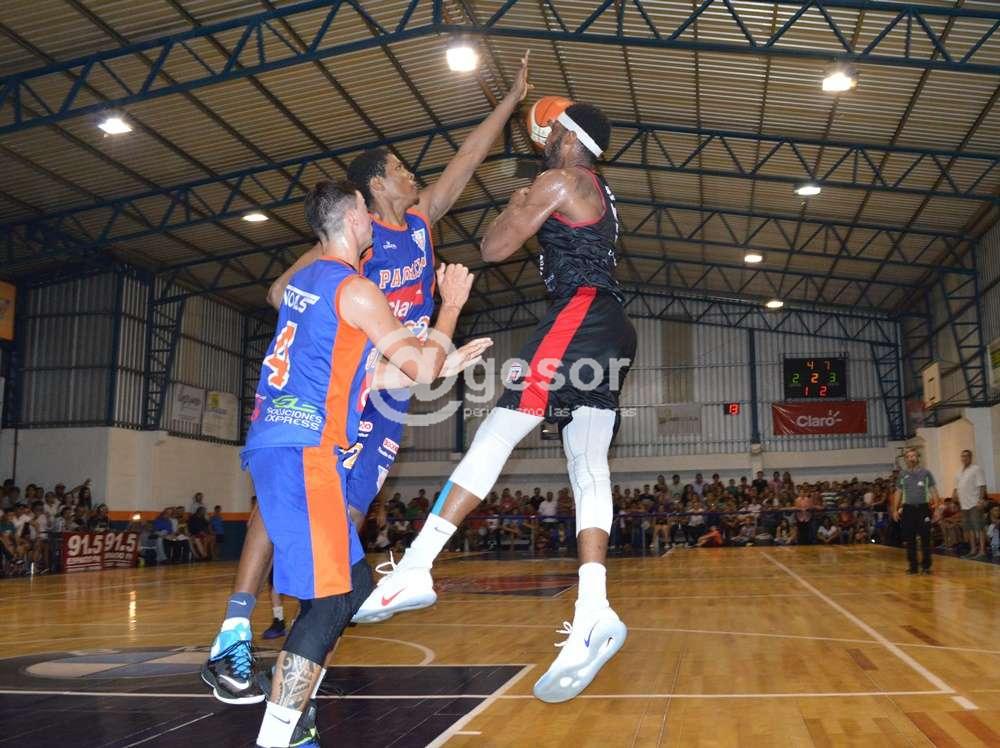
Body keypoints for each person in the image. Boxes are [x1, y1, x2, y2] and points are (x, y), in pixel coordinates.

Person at [200, 57, 530, 707]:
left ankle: (303, 655)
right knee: (287, 493)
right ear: (374, 189)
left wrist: (511, 101)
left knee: (346, 517)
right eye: (401, 168)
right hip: (350, 381)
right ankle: (238, 621)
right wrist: (350, 320)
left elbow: (468, 157)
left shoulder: (422, 220)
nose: (413, 175)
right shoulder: (353, 244)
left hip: (390, 390)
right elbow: (279, 291)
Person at [353, 102, 638, 705]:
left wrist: (517, 204)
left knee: (497, 432)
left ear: (568, 136)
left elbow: (493, 248)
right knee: (588, 465)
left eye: (550, 129)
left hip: (579, 313)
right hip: (610, 326)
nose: (542, 136)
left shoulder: (558, 180)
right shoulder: (596, 190)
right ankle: (594, 610)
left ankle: (416, 567)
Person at [200, 180, 477, 748]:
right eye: (365, 212)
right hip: (305, 451)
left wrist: (441, 364)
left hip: (280, 445)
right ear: (353, 218)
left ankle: (286, 711)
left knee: (350, 588)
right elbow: (421, 368)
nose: (374, 219)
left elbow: (367, 374)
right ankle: (279, 733)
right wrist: (450, 307)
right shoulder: (356, 289)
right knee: (332, 601)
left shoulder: (303, 285)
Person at [892, 447, 940, 575]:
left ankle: (926, 566)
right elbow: (898, 492)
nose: (911, 458)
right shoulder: (902, 475)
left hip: (923, 509)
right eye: (908, 457)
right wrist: (895, 510)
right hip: (908, 509)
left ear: (918, 457)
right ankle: (913, 566)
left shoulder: (926, 473)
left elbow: (933, 491)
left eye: (913, 456)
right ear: (905, 460)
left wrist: (937, 509)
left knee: (925, 537)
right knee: (910, 539)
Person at [954, 449, 988, 559]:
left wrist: (980, 500)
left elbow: (982, 485)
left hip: (975, 504)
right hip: (964, 505)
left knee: (979, 528)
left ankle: (982, 551)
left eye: (966, 456)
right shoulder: (959, 471)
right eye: (962, 456)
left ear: (970, 457)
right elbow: (957, 488)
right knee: (969, 529)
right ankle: (973, 550)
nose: (964, 458)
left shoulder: (976, 469)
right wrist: (955, 499)